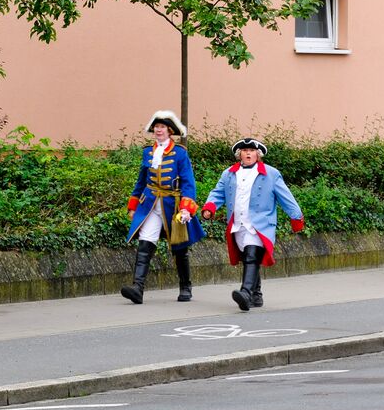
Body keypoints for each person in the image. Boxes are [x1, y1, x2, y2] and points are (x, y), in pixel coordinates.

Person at [200, 138, 304, 311]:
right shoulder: (228, 174)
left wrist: (296, 216)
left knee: (251, 254)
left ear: (258, 154)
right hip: (238, 224)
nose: (248, 153)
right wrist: (210, 208)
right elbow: (218, 193)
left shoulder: (271, 174)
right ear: (239, 154)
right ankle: (257, 295)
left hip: (260, 224)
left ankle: (246, 293)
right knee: (249, 258)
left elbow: (285, 196)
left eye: (252, 150)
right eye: (245, 150)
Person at [120, 110, 205, 304]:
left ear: (170, 131)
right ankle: (137, 288)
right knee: (145, 242)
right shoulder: (147, 152)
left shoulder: (180, 153)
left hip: (172, 205)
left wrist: (186, 207)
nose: (158, 130)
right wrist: (133, 205)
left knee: (179, 247)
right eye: (156, 127)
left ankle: (185, 287)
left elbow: (188, 182)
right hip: (150, 203)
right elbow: (141, 181)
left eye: (162, 127)